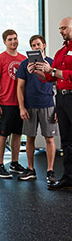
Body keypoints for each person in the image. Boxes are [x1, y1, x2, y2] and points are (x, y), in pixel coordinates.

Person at [28, 17, 72, 190]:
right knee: (67, 141)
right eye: (60, 28)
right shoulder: (62, 52)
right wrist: (38, 72)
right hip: (61, 98)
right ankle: (68, 179)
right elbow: (51, 77)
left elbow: (60, 72)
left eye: (64, 28)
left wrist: (52, 70)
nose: (61, 31)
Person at [16, 35, 58, 183]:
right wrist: (22, 108)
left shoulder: (52, 63)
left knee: (49, 138)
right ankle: (30, 169)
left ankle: (50, 171)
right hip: (30, 106)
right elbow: (20, 87)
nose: (36, 47)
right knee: (30, 138)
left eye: (38, 44)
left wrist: (58, 108)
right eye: (33, 45)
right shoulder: (25, 64)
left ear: (44, 45)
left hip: (48, 104)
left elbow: (59, 86)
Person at [0, 29, 26, 178]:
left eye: (15, 39)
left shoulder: (24, 59)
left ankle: (14, 163)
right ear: (4, 42)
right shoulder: (0, 58)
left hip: (20, 104)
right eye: (10, 39)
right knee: (2, 135)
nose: (13, 42)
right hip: (4, 103)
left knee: (17, 135)